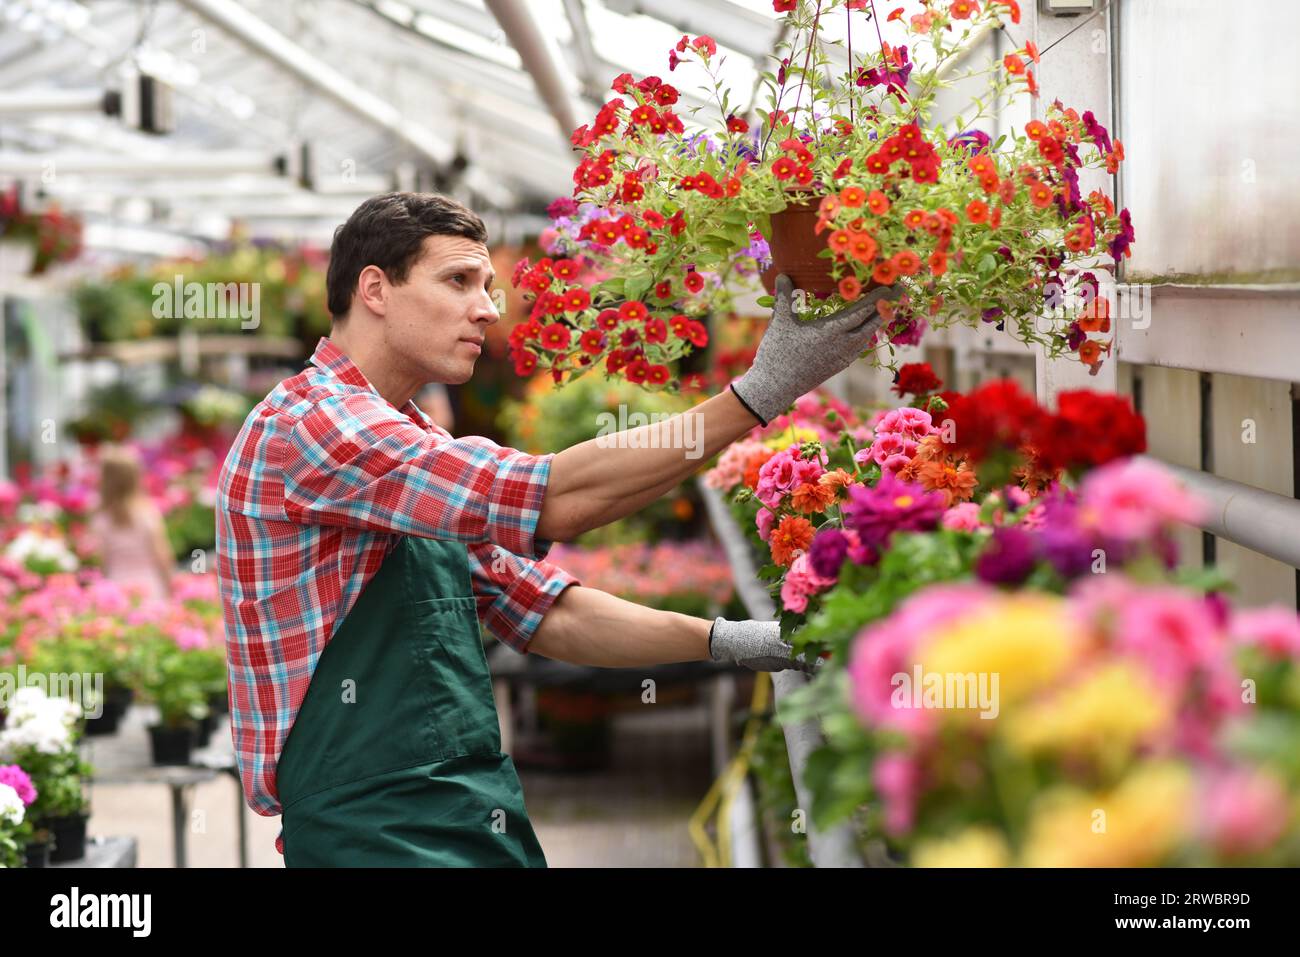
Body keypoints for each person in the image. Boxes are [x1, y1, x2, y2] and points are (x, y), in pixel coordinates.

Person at [214, 192, 894, 867]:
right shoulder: (316, 425)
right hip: (371, 826)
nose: (486, 307)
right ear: (375, 290)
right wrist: (756, 396)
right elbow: (553, 496)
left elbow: (544, 611)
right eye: (458, 281)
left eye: (487, 285)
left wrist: (732, 641)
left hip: (463, 804)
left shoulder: (405, 435)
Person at [89, 444, 174, 602]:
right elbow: (162, 555)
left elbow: (102, 560)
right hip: (150, 586)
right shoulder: (146, 513)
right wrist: (170, 587)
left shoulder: (101, 518)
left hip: (116, 588)